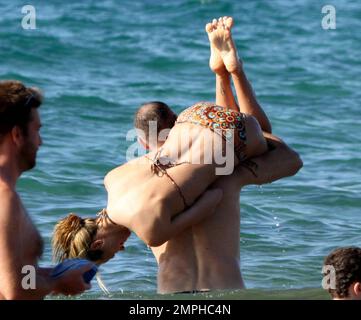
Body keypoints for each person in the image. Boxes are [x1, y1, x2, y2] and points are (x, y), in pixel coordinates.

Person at [52, 17, 301, 293]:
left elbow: (211, 198)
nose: (122, 247)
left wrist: (226, 176)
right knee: (256, 138)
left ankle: (229, 72)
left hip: (188, 294)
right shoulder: (114, 178)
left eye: (115, 251)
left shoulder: (151, 229)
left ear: (98, 243)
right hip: (195, 115)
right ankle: (227, 73)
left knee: (258, 146)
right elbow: (163, 160)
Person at [0, 80, 94, 299]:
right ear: (17, 135)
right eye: (37, 131)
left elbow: (13, 276)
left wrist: (53, 272)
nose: (40, 142)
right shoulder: (5, 198)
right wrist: (58, 282)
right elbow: (15, 290)